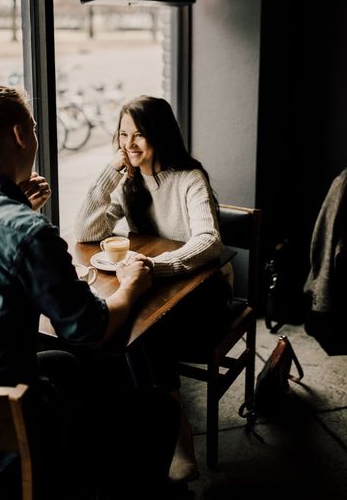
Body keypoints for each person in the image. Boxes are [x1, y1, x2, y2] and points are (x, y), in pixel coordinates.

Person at [0, 85, 179, 500]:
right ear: (20, 136)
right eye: (32, 126)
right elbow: (91, 329)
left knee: (63, 364)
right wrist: (130, 286)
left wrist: (21, 211)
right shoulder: (27, 232)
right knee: (159, 411)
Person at [74, 94, 233, 484]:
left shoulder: (189, 178)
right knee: (130, 324)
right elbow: (85, 231)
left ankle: (177, 438)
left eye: (139, 135)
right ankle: (151, 423)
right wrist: (113, 171)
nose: (129, 145)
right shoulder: (128, 181)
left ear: (160, 136)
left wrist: (155, 267)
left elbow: (209, 240)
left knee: (143, 329)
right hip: (156, 293)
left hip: (204, 295)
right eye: (122, 135)